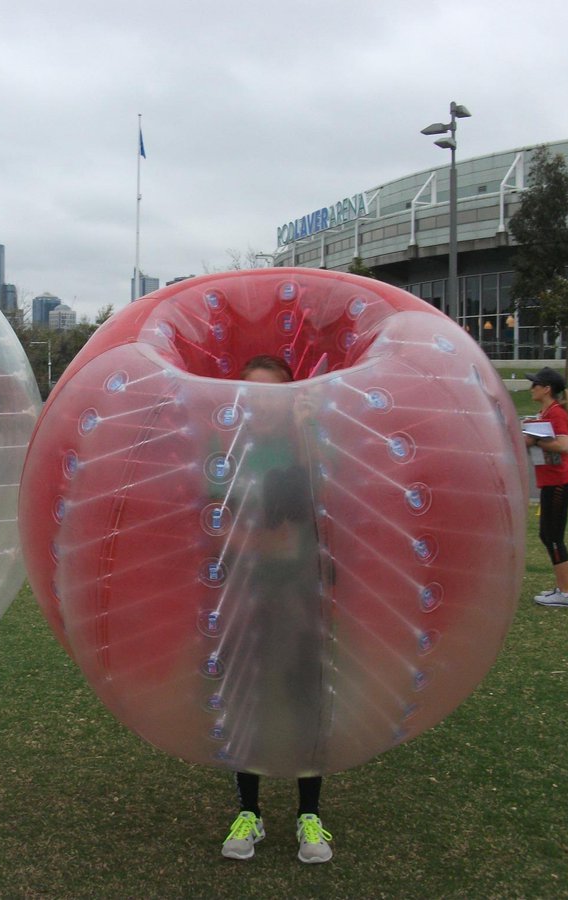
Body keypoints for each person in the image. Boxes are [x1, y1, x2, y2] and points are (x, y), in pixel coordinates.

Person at [219, 354, 332, 864]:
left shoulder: (310, 444)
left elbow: (326, 501)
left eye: (271, 396)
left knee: (306, 697)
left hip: (304, 591)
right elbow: (212, 517)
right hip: (248, 590)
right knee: (251, 698)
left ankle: (310, 815)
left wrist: (308, 431)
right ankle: (251, 811)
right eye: (250, 395)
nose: (258, 405)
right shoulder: (227, 450)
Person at [523, 366, 568, 607]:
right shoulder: (544, 413)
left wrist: (536, 441)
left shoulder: (556, 413)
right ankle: (563, 588)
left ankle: (565, 593)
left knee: (552, 536)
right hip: (551, 483)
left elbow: (564, 445)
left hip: (559, 483)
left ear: (547, 389)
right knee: (548, 535)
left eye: (535, 384)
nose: (531, 388)